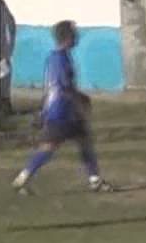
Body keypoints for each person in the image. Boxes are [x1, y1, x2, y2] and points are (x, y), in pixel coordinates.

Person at [11, 20, 112, 192]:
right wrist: (79, 100)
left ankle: (95, 179)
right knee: (49, 147)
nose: (77, 36)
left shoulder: (59, 57)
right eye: (74, 34)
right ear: (67, 37)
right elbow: (63, 87)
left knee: (84, 141)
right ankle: (22, 178)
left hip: (68, 111)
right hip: (61, 111)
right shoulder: (59, 59)